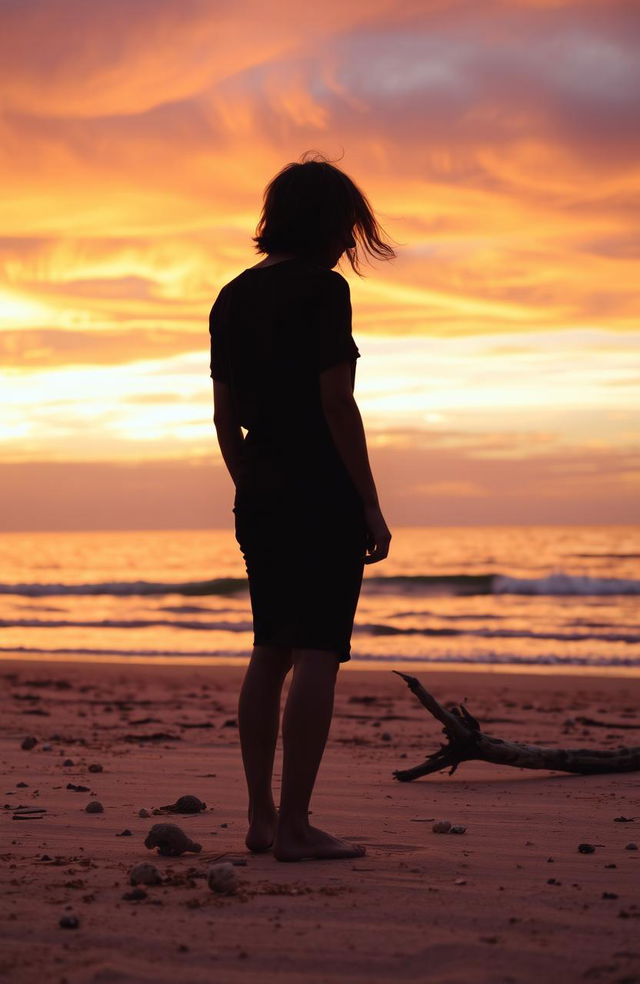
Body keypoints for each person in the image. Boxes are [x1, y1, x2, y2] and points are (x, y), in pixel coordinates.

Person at [209, 151, 395, 862]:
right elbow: (336, 402)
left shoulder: (231, 296)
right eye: (347, 226)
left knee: (269, 650)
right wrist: (369, 505)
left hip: (261, 489)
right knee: (318, 648)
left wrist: (246, 484)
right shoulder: (323, 292)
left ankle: (260, 817)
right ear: (324, 224)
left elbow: (225, 419)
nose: (351, 242)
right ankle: (296, 825)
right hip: (320, 489)